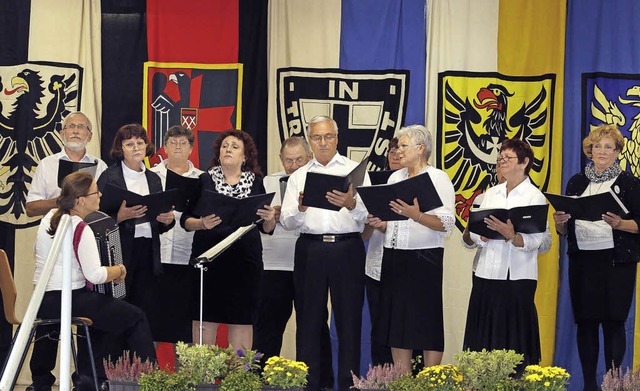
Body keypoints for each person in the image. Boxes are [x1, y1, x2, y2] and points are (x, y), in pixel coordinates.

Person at [33, 171, 156, 391]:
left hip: (43, 300)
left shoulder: (47, 219)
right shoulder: (81, 227)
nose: (100, 195)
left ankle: (73, 380)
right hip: (70, 299)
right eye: (95, 191)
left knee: (99, 309)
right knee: (136, 317)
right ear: (80, 200)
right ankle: (153, 382)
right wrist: (119, 269)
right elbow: (95, 275)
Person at [280, 115, 370, 391]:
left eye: (328, 136)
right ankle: (310, 384)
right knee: (308, 321)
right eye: (317, 137)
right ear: (310, 141)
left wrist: (351, 203)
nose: (322, 142)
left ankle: (348, 384)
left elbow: (368, 216)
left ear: (337, 138)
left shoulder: (355, 170)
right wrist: (302, 208)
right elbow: (286, 221)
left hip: (347, 249)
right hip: (311, 249)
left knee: (349, 321)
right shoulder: (298, 176)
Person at [552, 124, 640, 391]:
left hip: (616, 264)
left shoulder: (630, 183)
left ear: (617, 152)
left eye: (608, 147)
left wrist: (620, 224)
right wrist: (560, 223)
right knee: (586, 323)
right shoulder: (576, 182)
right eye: (597, 146)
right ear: (589, 151)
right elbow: (564, 230)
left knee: (614, 323)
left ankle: (613, 385)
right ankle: (589, 385)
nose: (602, 151)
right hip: (582, 263)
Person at [26, 111, 108, 391]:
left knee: (89, 311)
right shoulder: (47, 165)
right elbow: (30, 208)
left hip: (88, 246)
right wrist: (64, 201)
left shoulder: (102, 166)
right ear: (62, 133)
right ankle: (40, 381)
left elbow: (104, 206)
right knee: (49, 319)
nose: (75, 130)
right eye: (70, 126)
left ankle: (84, 379)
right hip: (55, 247)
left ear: (90, 135)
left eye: (81, 127)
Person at [368, 125, 455, 371]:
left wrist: (416, 215)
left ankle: (430, 378)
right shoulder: (395, 178)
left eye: (403, 146)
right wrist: (381, 223)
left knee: (426, 320)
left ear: (420, 149)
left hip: (424, 258)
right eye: (397, 146)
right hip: (394, 256)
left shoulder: (437, 178)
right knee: (397, 322)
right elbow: (394, 221)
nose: (398, 151)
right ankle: (402, 379)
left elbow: (447, 224)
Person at [181, 129, 276, 350]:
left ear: (245, 156)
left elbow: (266, 228)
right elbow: (185, 220)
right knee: (205, 318)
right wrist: (201, 223)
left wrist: (270, 218)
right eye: (225, 146)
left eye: (234, 146)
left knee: (242, 319)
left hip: (245, 264)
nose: (228, 150)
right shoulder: (204, 180)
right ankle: (202, 380)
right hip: (209, 262)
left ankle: (239, 379)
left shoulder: (256, 183)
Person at [463, 138, 548, 371]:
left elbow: (537, 241)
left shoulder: (534, 197)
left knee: (513, 335)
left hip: (517, 277)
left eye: (508, 158)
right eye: (500, 158)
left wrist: (511, 235)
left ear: (524, 163)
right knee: (484, 335)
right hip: (486, 273)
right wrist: (481, 235)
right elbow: (472, 234)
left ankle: (514, 381)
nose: (502, 162)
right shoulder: (491, 194)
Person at [96, 123, 175, 342]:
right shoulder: (108, 176)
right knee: (118, 310)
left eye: (140, 142)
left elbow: (159, 221)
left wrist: (166, 220)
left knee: (144, 311)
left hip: (148, 253)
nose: (136, 147)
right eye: (129, 143)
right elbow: (94, 220)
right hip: (118, 252)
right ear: (120, 148)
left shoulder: (154, 178)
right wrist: (119, 218)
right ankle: (111, 369)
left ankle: (140, 370)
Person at [252, 136, 314, 362]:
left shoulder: (318, 181)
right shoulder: (267, 182)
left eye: (299, 160)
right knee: (267, 326)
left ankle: (316, 380)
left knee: (312, 326)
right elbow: (259, 225)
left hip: (308, 263)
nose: (294, 166)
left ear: (310, 157)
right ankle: (260, 380)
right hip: (273, 264)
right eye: (288, 160)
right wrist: (272, 217)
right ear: (280, 159)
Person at [149, 125, 203, 345]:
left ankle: (184, 379)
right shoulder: (151, 175)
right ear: (165, 147)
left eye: (183, 143)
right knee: (151, 322)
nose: (178, 147)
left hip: (185, 257)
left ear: (191, 148)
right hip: (155, 258)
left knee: (184, 329)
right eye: (173, 142)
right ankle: (148, 378)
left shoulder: (202, 179)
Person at [363, 137, 401, 366]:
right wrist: (369, 221)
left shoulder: (421, 182)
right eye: (392, 150)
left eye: (401, 149)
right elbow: (365, 234)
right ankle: (380, 378)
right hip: (376, 265)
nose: (396, 154)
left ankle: (407, 379)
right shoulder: (375, 183)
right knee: (379, 327)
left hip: (406, 267)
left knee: (405, 326)